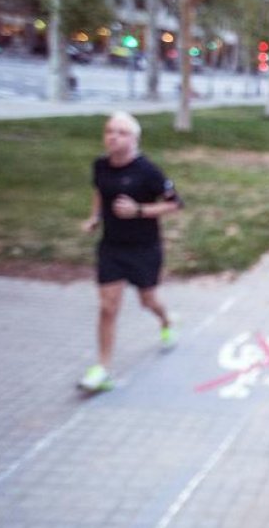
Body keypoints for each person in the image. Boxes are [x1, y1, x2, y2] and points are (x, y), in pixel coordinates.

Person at [78, 111, 183, 392]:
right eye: (109, 131)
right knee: (107, 307)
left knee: (147, 300)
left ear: (134, 139)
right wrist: (95, 217)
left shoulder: (148, 171)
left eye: (121, 132)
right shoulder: (100, 166)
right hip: (111, 247)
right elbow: (100, 192)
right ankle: (102, 368)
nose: (113, 136)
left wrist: (139, 210)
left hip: (144, 248)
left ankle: (167, 319)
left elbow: (175, 204)